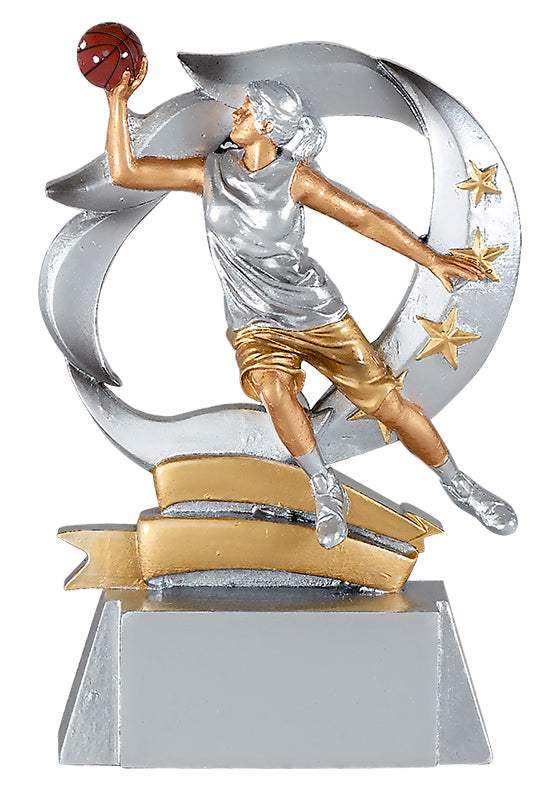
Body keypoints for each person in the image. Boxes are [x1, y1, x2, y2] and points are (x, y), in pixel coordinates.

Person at [105, 58, 517, 548]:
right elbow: (126, 172)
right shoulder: (211, 173)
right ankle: (324, 487)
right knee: (272, 388)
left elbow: (364, 218)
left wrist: (431, 259)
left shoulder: (296, 178)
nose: (236, 114)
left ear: (269, 125)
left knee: (390, 407)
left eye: (247, 109)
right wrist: (117, 102)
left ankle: (460, 484)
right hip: (256, 321)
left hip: (316, 312)